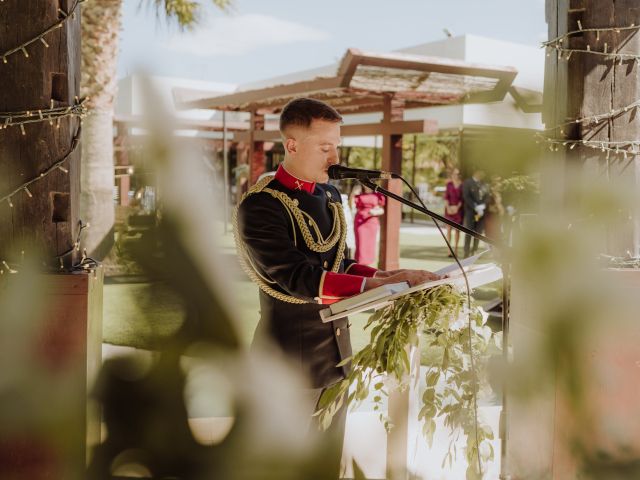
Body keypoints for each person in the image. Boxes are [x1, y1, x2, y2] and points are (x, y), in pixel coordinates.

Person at [235, 97, 441, 478]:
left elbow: (338, 262)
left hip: (336, 359)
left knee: (326, 469)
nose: (335, 155)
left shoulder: (328, 196)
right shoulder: (262, 205)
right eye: (325, 146)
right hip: (287, 366)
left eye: (337, 145)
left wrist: (387, 276)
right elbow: (297, 276)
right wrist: (376, 283)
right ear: (292, 145)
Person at [353, 186, 386, 265]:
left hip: (372, 222)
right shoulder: (359, 193)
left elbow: (382, 210)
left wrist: (375, 212)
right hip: (360, 222)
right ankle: (359, 265)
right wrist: (353, 193)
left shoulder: (377, 194)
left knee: (370, 245)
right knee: (361, 245)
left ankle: (367, 266)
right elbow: (352, 206)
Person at [462, 168, 487, 257]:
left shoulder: (484, 183)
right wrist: (475, 207)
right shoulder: (467, 182)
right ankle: (466, 252)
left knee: (478, 233)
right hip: (470, 212)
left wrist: (483, 206)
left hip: (481, 213)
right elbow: (466, 196)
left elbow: (487, 196)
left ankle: (474, 251)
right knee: (468, 232)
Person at [443, 168, 463, 257]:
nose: (456, 175)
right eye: (455, 174)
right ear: (452, 175)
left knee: (457, 231)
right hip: (449, 210)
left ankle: (455, 250)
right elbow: (446, 197)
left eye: (458, 174)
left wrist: (457, 208)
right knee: (448, 230)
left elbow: (462, 199)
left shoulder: (462, 185)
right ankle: (448, 250)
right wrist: (448, 208)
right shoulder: (449, 184)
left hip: (458, 210)